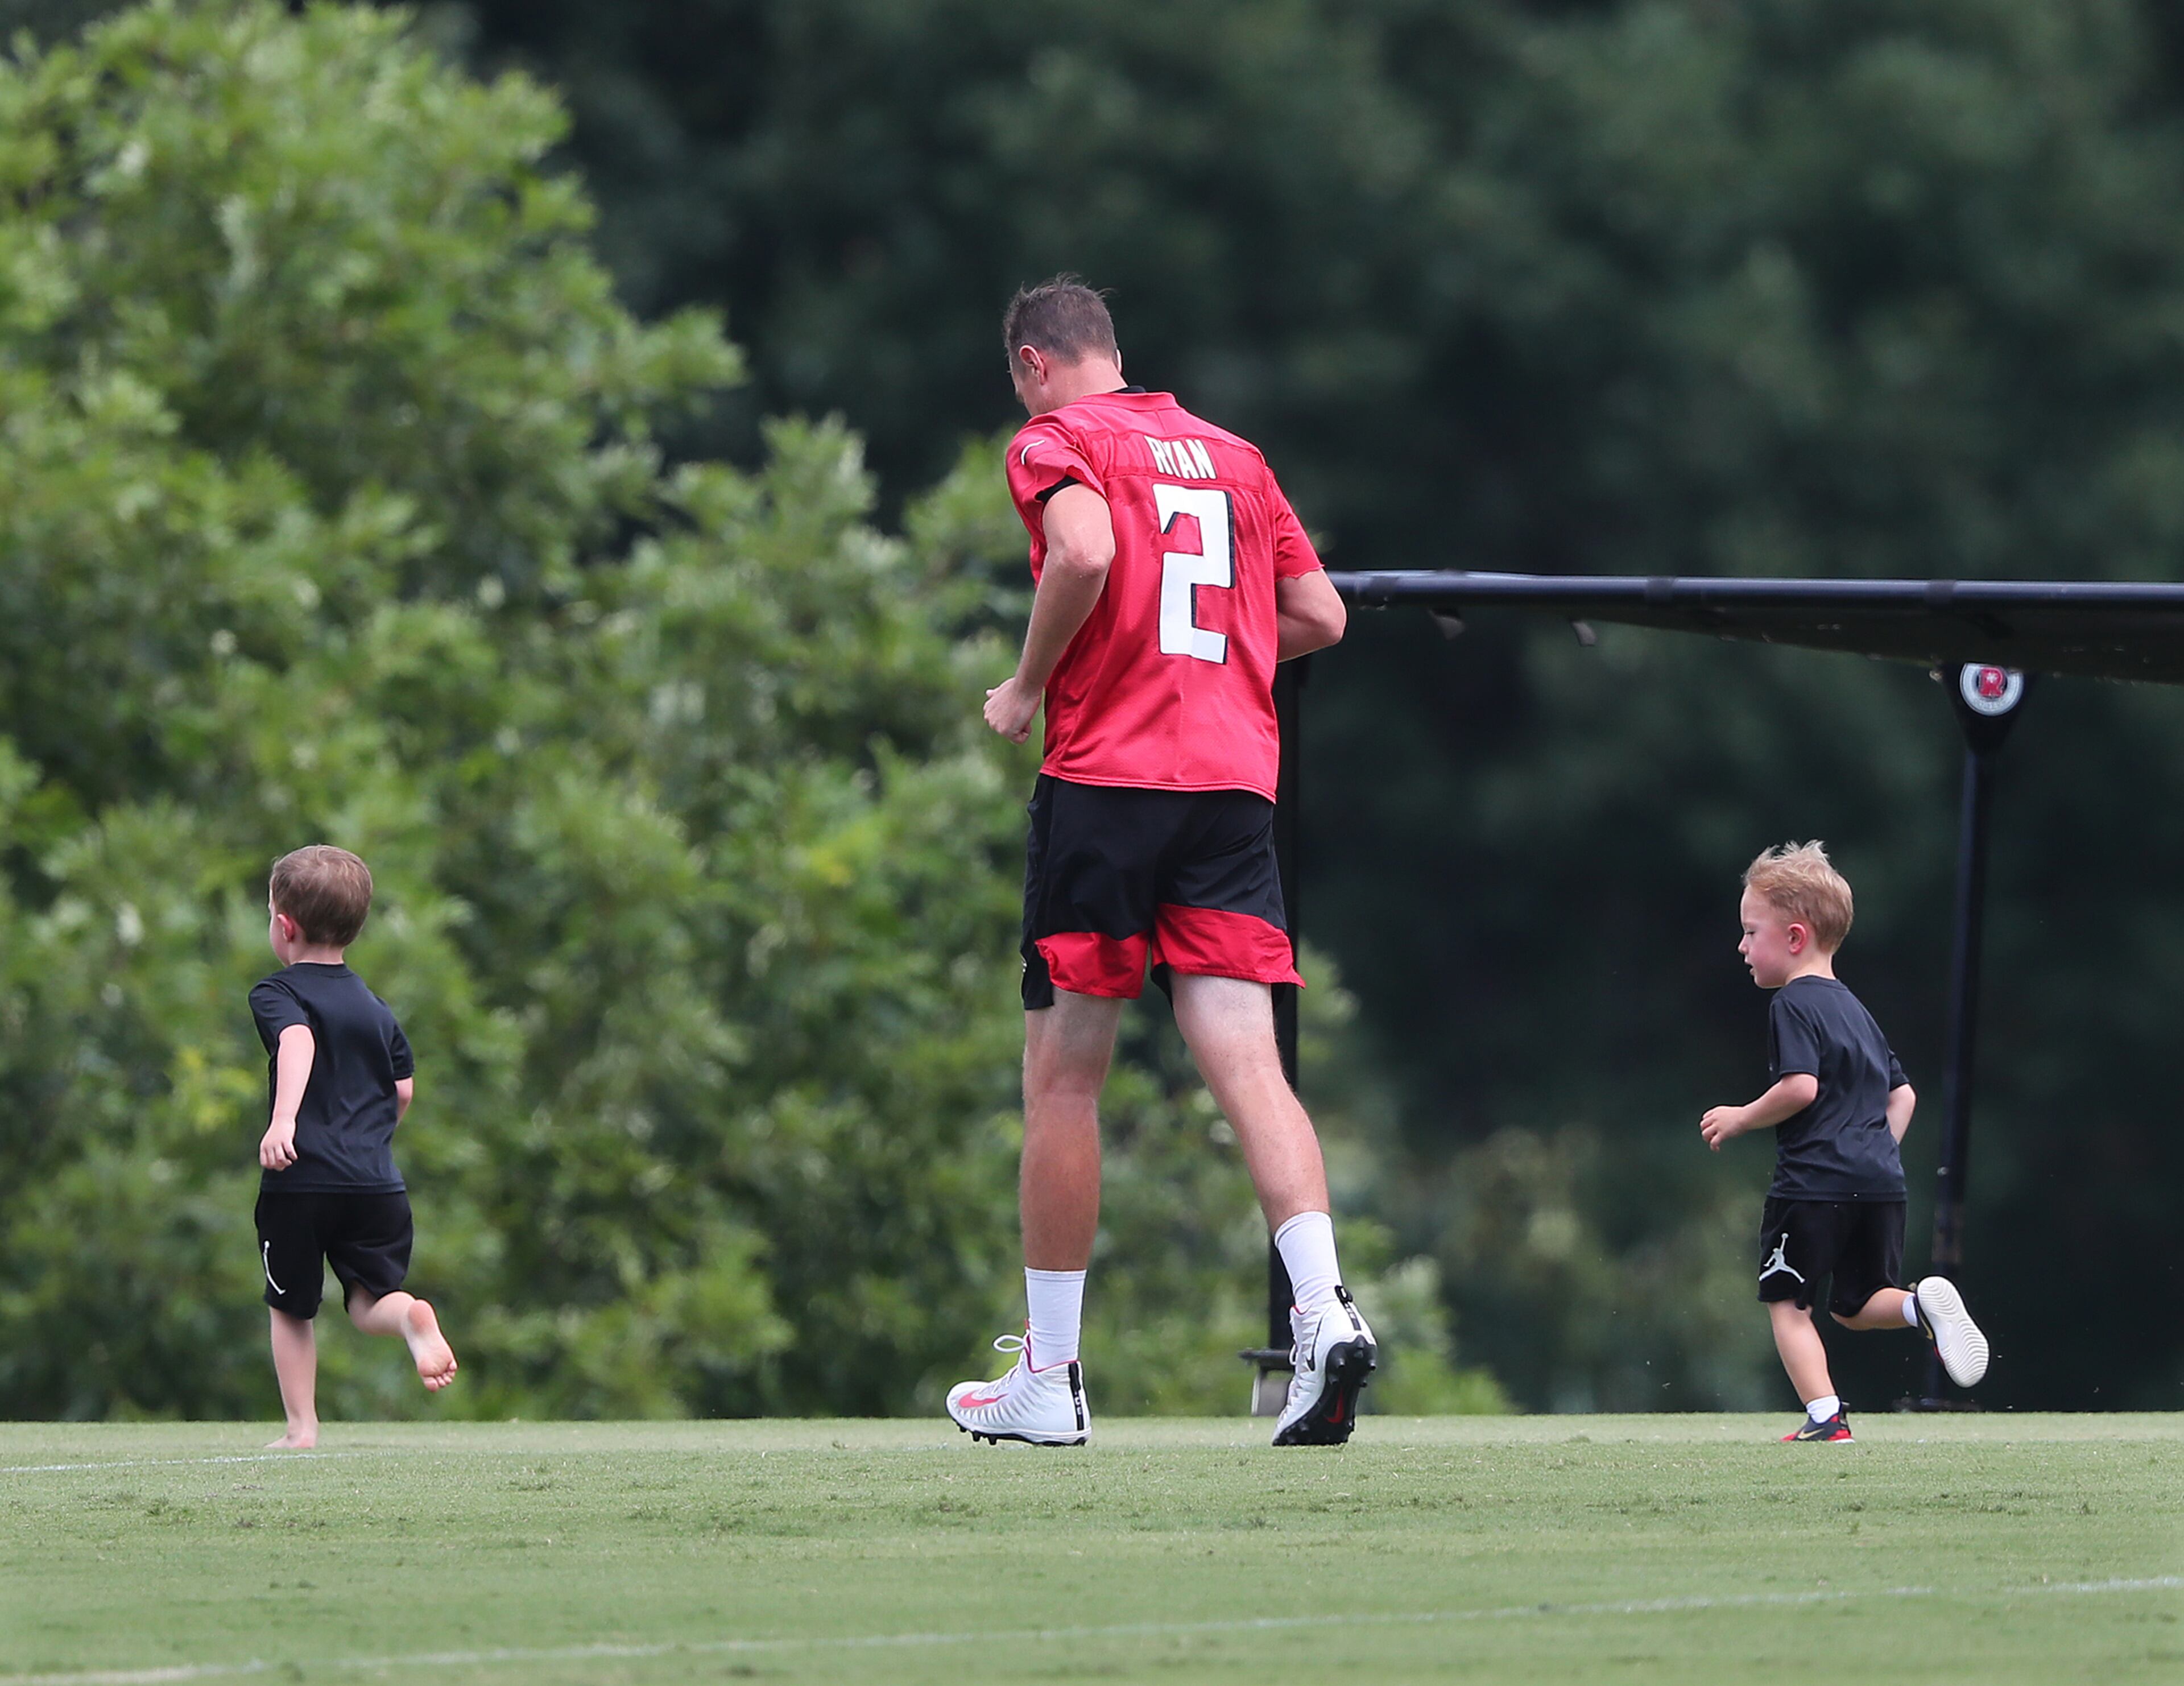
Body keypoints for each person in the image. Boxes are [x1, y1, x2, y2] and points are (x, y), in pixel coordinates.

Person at [948, 276, 1372, 1448]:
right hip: (1235, 787)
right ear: (1114, 352)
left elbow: (1080, 551)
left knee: (1065, 1077)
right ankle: (1326, 1311)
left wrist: (1030, 683)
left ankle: (1052, 1378)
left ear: (1035, 364)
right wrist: (1219, 660)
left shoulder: (1056, 439)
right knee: (1248, 1062)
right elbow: (1322, 616)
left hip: (1108, 784)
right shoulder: (1235, 455)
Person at [1701, 841, 1988, 1443]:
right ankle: (1920, 1308)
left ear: (1796, 938)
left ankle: (1826, 1418)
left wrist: (1740, 1116)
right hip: (1881, 1183)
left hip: (1812, 1184)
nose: (1743, 947)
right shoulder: (1855, 1009)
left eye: (1752, 933)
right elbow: (1903, 1096)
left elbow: (1800, 1087)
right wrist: (1876, 1153)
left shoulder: (1792, 1004)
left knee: (1789, 1303)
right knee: (1856, 1305)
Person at [252, 844, 456, 1448]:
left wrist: (284, 1120)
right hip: (375, 1180)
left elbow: (297, 1044)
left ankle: (302, 1428)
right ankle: (412, 1320)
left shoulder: (279, 993)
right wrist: (371, 1137)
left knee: (291, 1305)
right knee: (372, 1303)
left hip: (302, 1177)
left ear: (284, 926)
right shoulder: (375, 1007)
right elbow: (403, 1088)